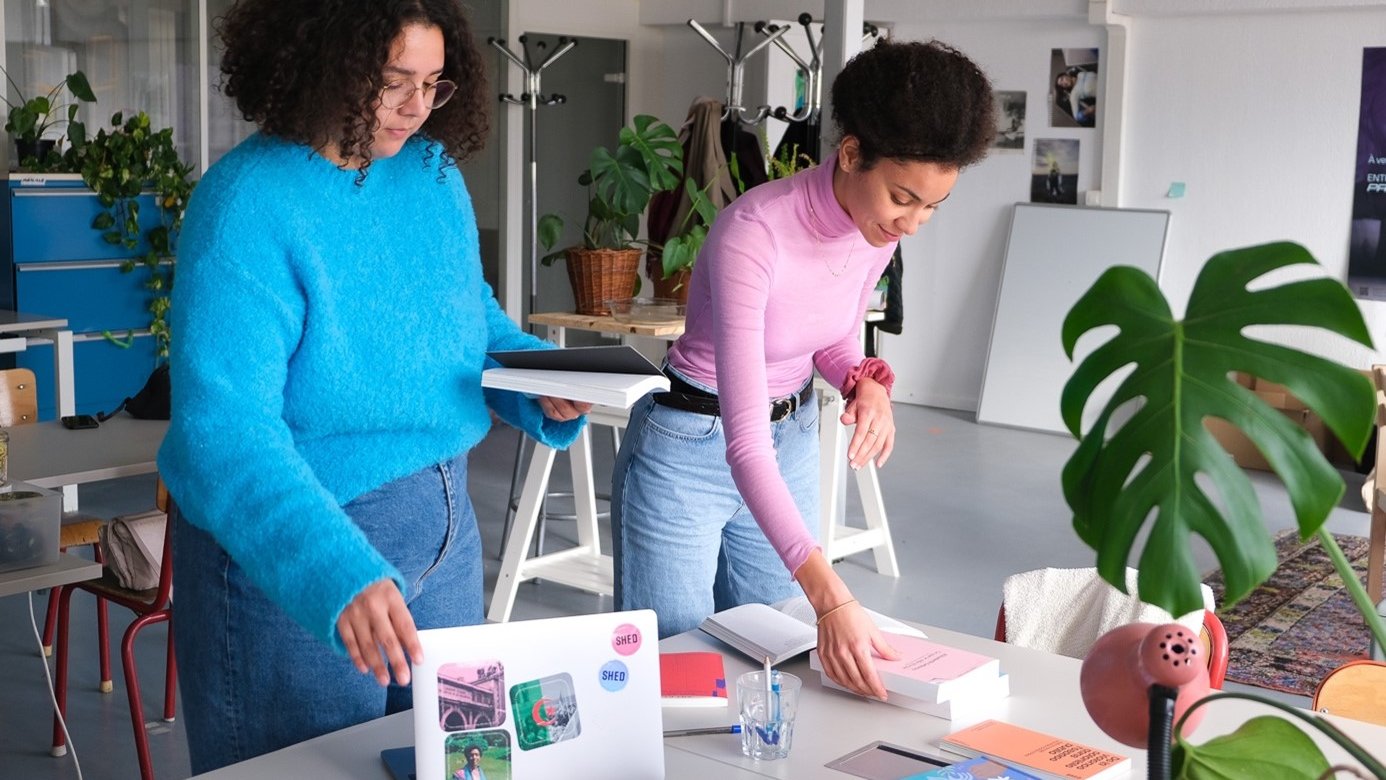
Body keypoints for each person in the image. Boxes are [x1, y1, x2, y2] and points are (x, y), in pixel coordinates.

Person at [157, 0, 590, 772]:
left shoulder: (430, 174)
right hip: (303, 551)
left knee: (460, 763)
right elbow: (220, 436)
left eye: (433, 83)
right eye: (393, 82)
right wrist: (334, 569)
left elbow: (470, 319)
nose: (417, 107)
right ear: (324, 64)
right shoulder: (246, 206)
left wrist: (539, 376)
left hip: (448, 537)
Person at [611, 39, 995, 701]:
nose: (915, 222)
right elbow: (743, 441)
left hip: (787, 442)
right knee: (674, 677)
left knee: (777, 666)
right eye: (904, 197)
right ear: (850, 154)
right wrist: (832, 594)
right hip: (691, 451)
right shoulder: (753, 234)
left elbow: (830, 335)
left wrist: (864, 380)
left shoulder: (874, 229)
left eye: (933, 205)